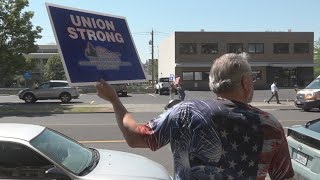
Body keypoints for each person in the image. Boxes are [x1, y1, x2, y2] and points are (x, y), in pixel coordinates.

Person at [96, 53, 294, 180]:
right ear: (245, 82)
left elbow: (135, 137)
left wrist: (114, 100)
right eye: (252, 78)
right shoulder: (270, 126)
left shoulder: (185, 111)